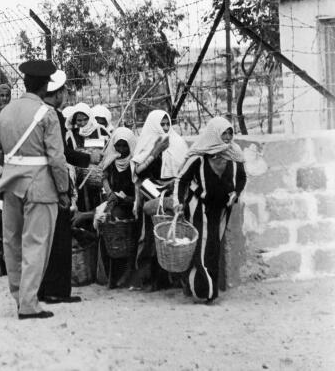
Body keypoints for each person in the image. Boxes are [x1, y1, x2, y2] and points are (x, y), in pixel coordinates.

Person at [0, 59, 70, 320]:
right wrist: (64, 189)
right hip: (41, 187)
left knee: (13, 243)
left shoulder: (5, 113)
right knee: (36, 243)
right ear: (46, 86)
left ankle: (18, 295)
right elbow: (57, 159)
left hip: (11, 184)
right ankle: (29, 303)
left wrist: (14, 165)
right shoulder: (47, 115)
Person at [176, 116, 246, 303]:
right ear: (214, 134)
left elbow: (241, 179)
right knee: (202, 250)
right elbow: (181, 179)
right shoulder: (199, 157)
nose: (228, 136)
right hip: (200, 209)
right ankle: (205, 292)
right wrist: (179, 202)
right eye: (224, 133)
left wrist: (235, 194)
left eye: (230, 132)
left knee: (213, 249)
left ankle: (199, 286)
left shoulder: (234, 155)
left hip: (221, 211)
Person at [129, 109, 188, 291]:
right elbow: (137, 171)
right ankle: (148, 279)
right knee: (148, 239)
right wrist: (155, 151)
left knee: (170, 236)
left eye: (166, 124)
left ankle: (170, 279)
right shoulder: (148, 142)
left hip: (170, 194)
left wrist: (172, 183)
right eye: (161, 124)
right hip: (149, 194)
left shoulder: (177, 142)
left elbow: (183, 168)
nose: (164, 128)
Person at [38, 70, 83, 304]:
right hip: (53, 185)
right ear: (57, 94)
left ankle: (42, 289)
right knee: (60, 239)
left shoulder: (34, 112)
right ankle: (57, 290)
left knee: (43, 239)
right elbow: (60, 156)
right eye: (63, 91)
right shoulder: (53, 116)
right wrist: (64, 190)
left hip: (34, 184)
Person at [96, 127, 138, 288]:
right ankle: (111, 276)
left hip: (132, 204)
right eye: (118, 146)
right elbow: (104, 177)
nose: (121, 150)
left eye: (124, 146)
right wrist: (110, 193)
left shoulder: (134, 162)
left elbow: (138, 186)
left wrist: (130, 199)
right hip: (116, 203)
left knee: (131, 239)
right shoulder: (112, 161)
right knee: (110, 230)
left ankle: (129, 273)